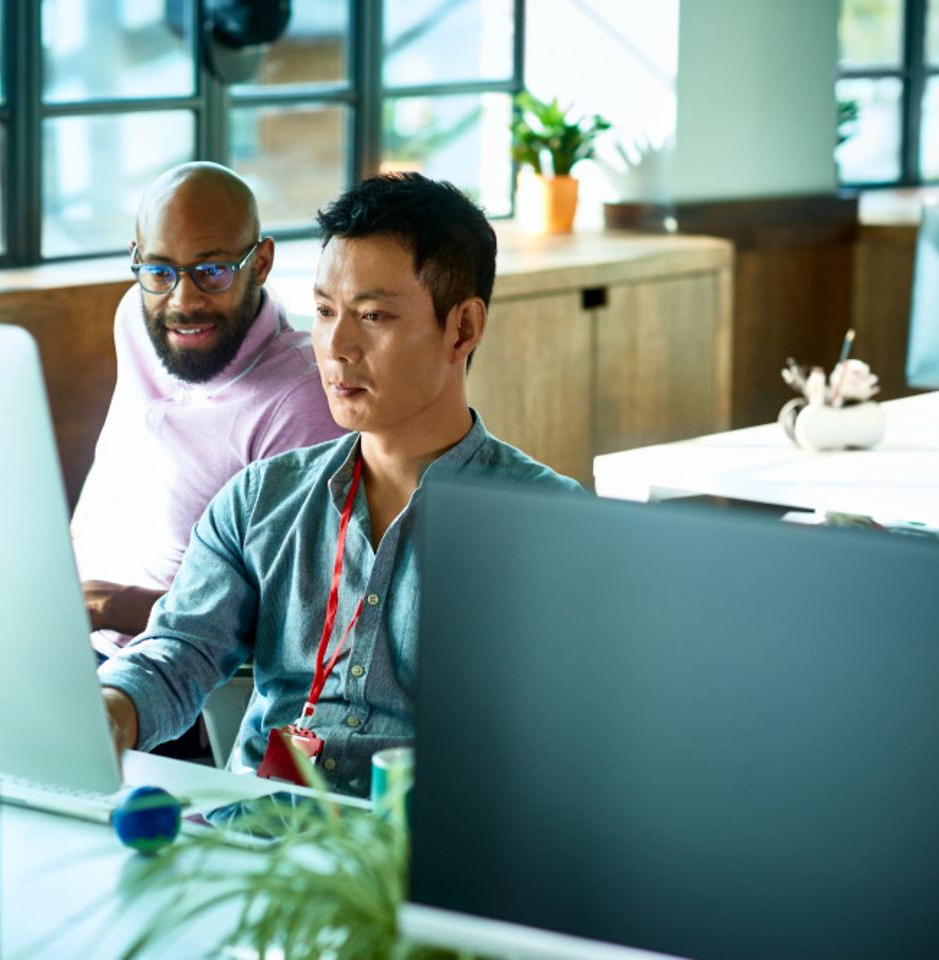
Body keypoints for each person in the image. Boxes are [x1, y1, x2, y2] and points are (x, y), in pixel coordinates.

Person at [97, 172, 582, 797]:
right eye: (324, 311)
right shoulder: (259, 500)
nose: (337, 346)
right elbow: (179, 651)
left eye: (373, 315)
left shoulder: (550, 524)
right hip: (258, 839)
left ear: (461, 329)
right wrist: (111, 707)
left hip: (421, 861)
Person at [71, 162, 342, 657]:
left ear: (260, 263)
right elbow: (111, 471)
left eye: (211, 271)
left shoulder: (301, 399)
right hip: (69, 635)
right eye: (159, 271)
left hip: (172, 676)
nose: (182, 301)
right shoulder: (135, 316)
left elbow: (291, 617)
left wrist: (107, 605)